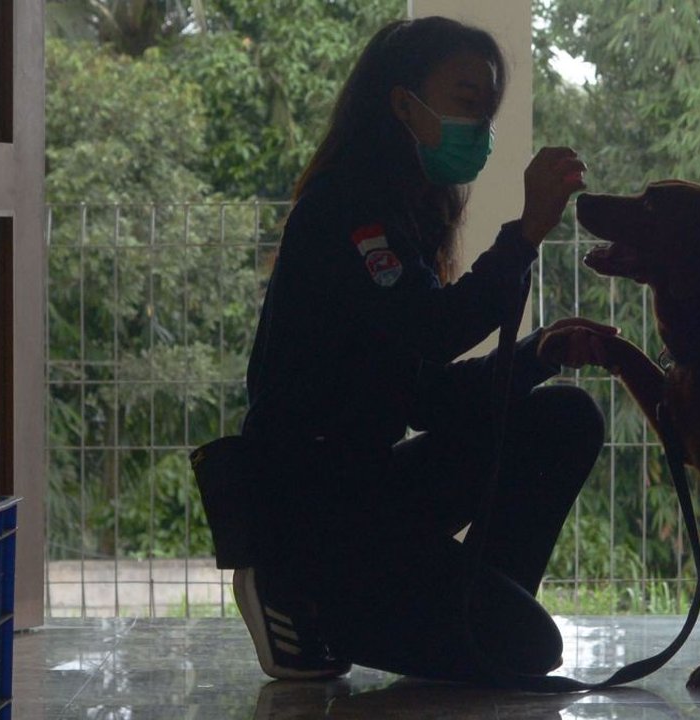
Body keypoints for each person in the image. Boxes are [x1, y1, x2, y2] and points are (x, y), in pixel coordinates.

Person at [234, 15, 618, 684]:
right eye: (466, 100)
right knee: (527, 650)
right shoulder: (348, 210)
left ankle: (471, 621)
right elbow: (430, 327)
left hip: (371, 493)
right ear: (403, 105)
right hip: (317, 515)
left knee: (564, 418)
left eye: (486, 107)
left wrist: (540, 356)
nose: (481, 125)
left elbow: (431, 397)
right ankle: (293, 591)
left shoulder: (403, 218)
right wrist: (524, 235)